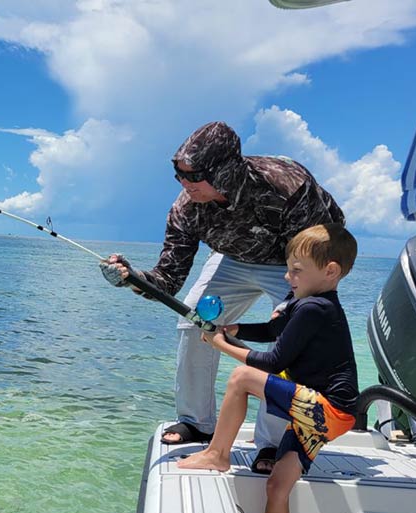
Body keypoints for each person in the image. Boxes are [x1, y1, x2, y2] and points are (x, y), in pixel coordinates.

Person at [101, 121, 344, 474]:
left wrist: (297, 303)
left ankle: (275, 443)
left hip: (297, 260)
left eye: (194, 175)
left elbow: (321, 247)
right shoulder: (186, 209)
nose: (185, 184)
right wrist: (132, 279)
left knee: (295, 334)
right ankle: (198, 421)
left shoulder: (288, 186)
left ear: (225, 170)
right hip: (232, 259)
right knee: (192, 322)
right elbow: (167, 280)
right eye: (178, 174)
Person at [176, 223, 358, 513]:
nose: (288, 276)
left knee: (241, 378)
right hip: (328, 416)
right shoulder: (305, 304)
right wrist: (235, 330)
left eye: (296, 270)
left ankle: (217, 454)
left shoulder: (315, 309)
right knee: (278, 484)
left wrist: (220, 345)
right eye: (288, 268)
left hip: (326, 409)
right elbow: (275, 331)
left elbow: (274, 362)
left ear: (330, 271)